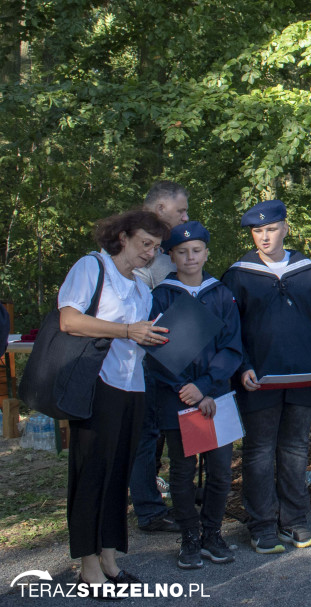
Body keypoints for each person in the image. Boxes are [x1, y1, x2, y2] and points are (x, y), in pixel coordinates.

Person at [221, 200, 311, 553]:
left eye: (271, 229)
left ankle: (295, 521)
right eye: (257, 231)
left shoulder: (306, 270)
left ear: (285, 229)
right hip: (259, 381)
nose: (264, 237)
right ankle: (261, 525)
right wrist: (242, 365)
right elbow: (230, 329)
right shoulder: (239, 274)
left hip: (304, 378)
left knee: (294, 450)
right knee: (259, 452)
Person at [57, 210, 170, 587]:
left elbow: (140, 337)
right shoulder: (93, 267)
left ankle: (108, 558)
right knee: (92, 474)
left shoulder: (140, 286)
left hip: (133, 387)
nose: (150, 253)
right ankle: (87, 566)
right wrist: (126, 330)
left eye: (155, 247)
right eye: (144, 244)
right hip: (97, 386)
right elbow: (69, 321)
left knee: (118, 474)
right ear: (122, 236)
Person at [148, 221, 243, 569]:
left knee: (220, 469)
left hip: (216, 397)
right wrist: (185, 388)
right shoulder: (161, 295)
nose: (190, 257)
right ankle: (189, 536)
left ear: (207, 253)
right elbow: (156, 351)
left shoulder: (221, 294)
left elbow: (232, 348)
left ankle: (212, 534)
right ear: (171, 255)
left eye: (197, 250)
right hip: (177, 397)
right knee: (183, 471)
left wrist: (206, 386)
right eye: (182, 252)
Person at [130, 180, 190, 534]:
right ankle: (149, 509)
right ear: (160, 210)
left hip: (172, 358)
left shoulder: (166, 251)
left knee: (163, 430)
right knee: (147, 434)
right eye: (181, 210)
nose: (185, 216)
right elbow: (136, 310)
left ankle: (169, 493)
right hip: (143, 360)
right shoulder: (142, 255)